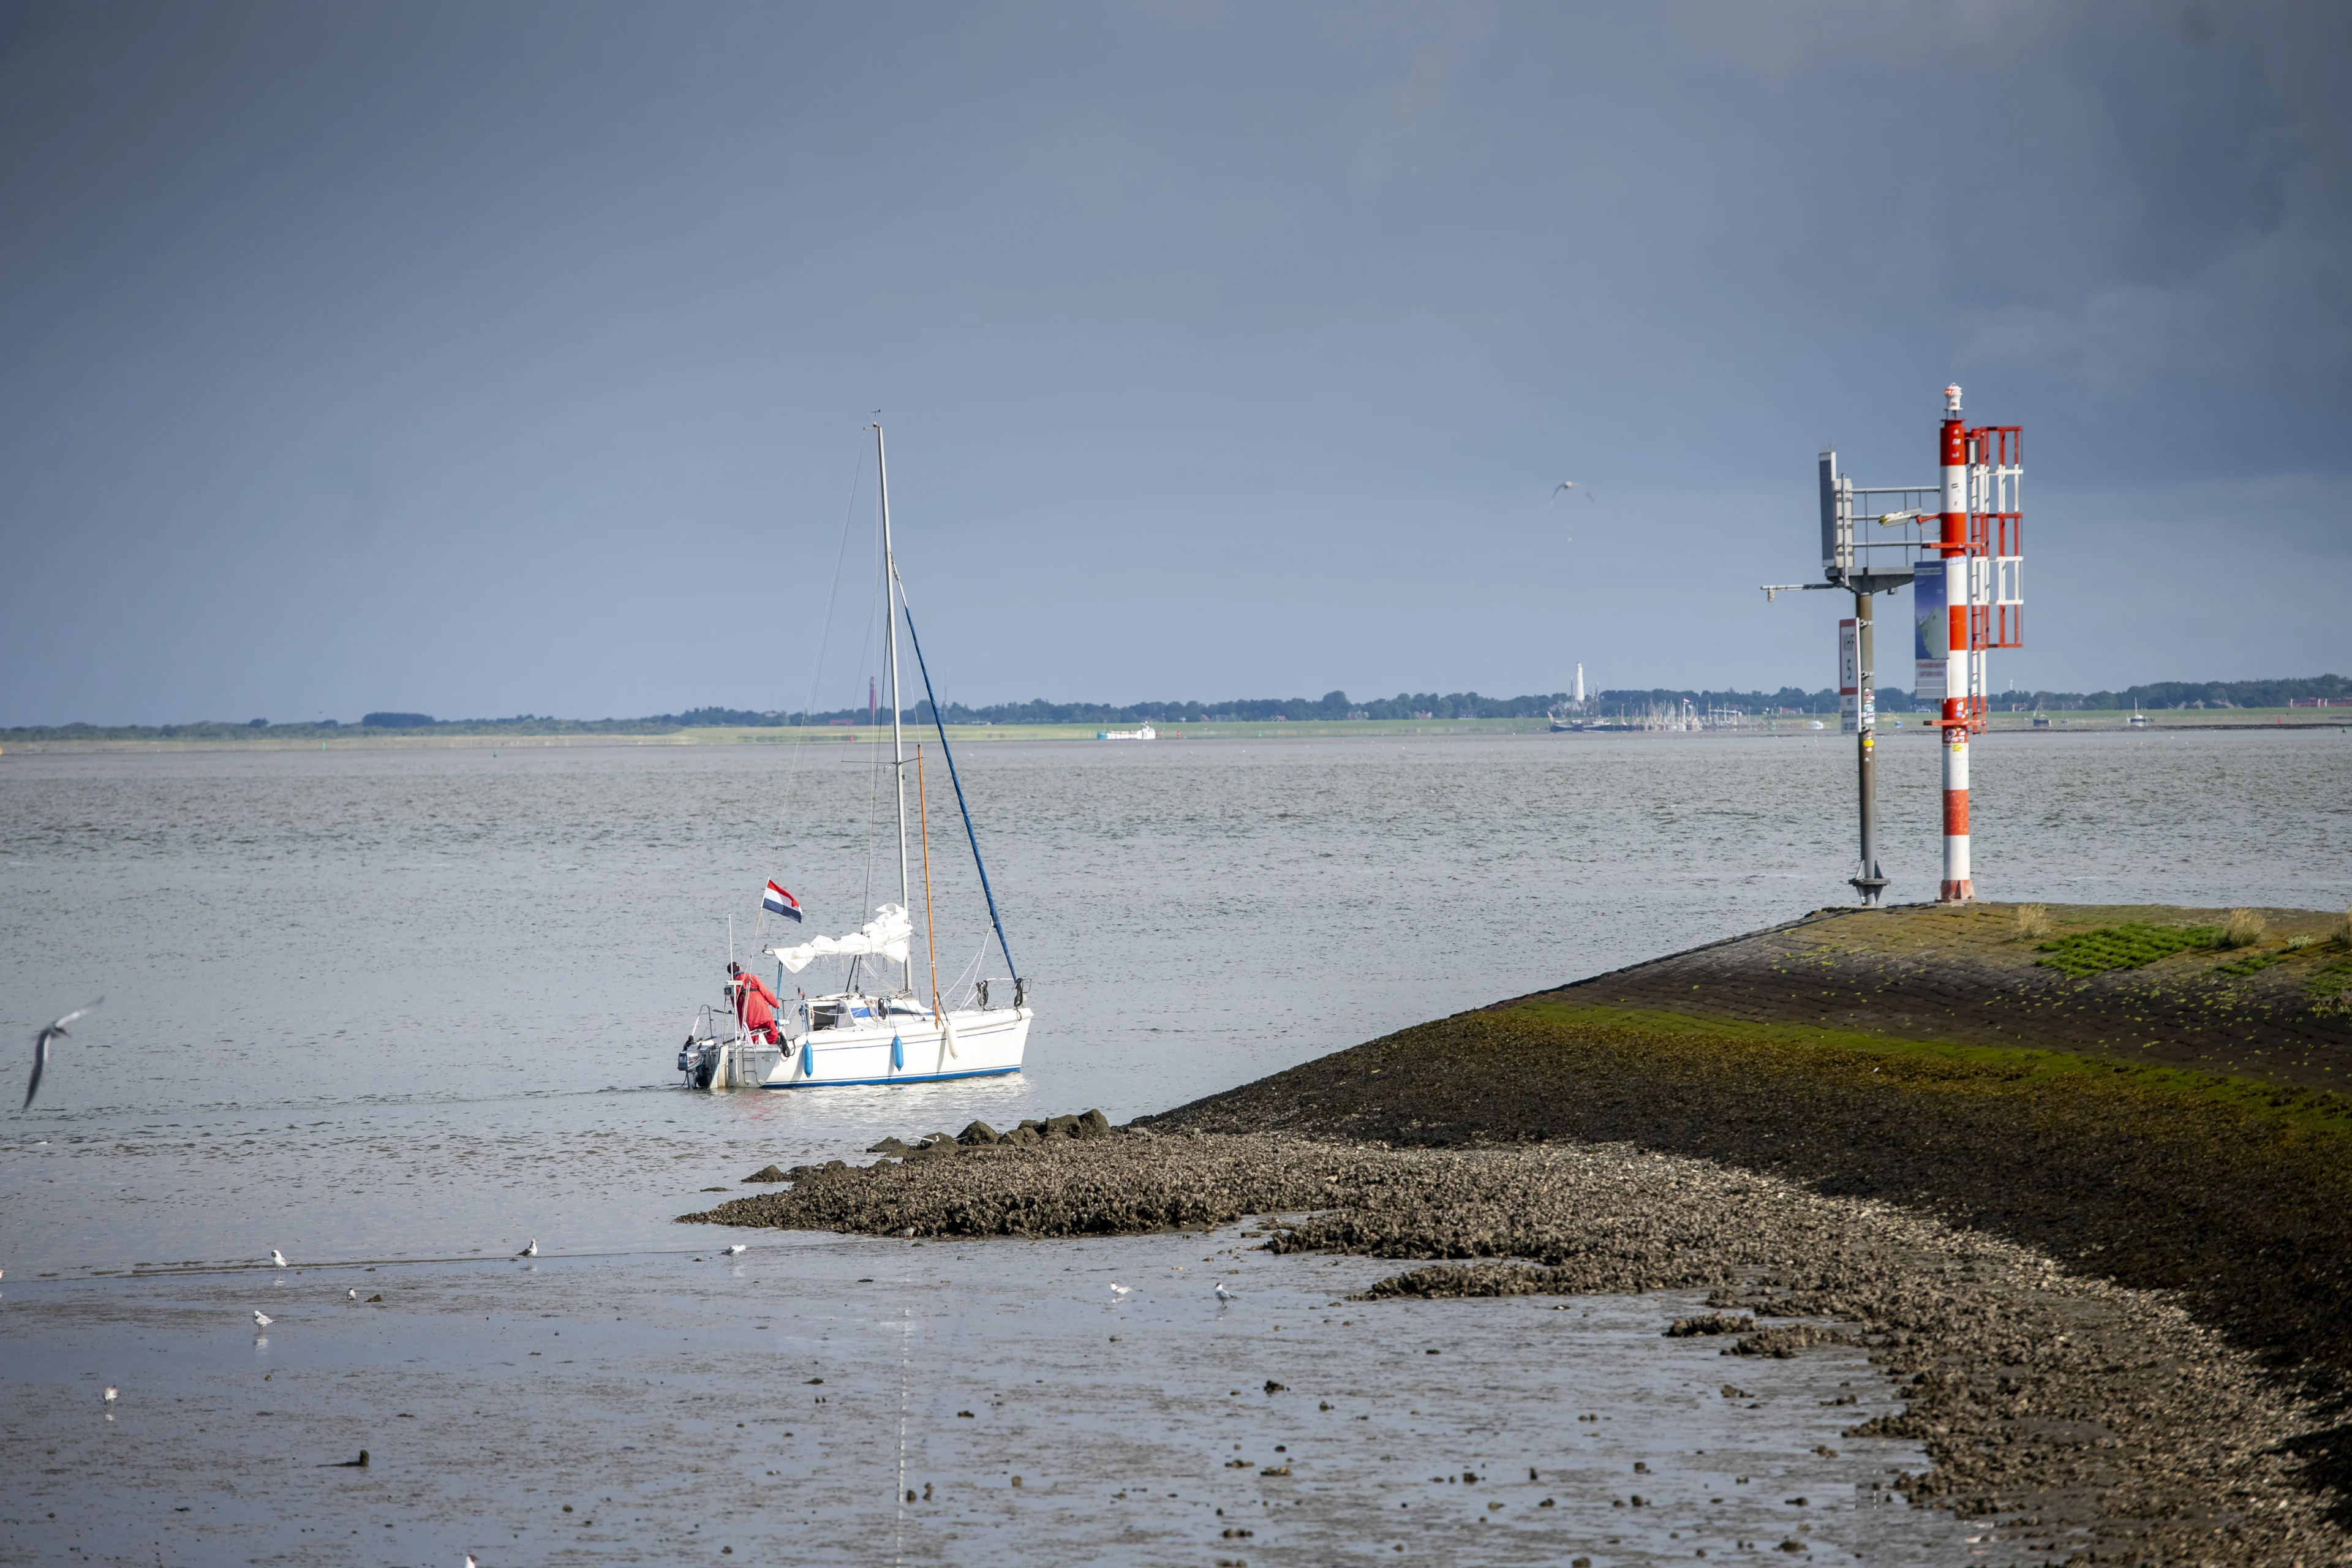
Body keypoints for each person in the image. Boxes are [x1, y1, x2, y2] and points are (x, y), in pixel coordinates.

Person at [727, 962, 782, 1044]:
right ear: (739, 968)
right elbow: (766, 993)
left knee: (753, 1041)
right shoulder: (751, 978)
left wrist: (742, 1025)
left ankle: (757, 1053)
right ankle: (776, 1048)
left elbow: (736, 1007)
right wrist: (776, 1004)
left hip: (749, 1020)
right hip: (764, 1015)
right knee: (773, 1035)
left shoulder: (733, 986)